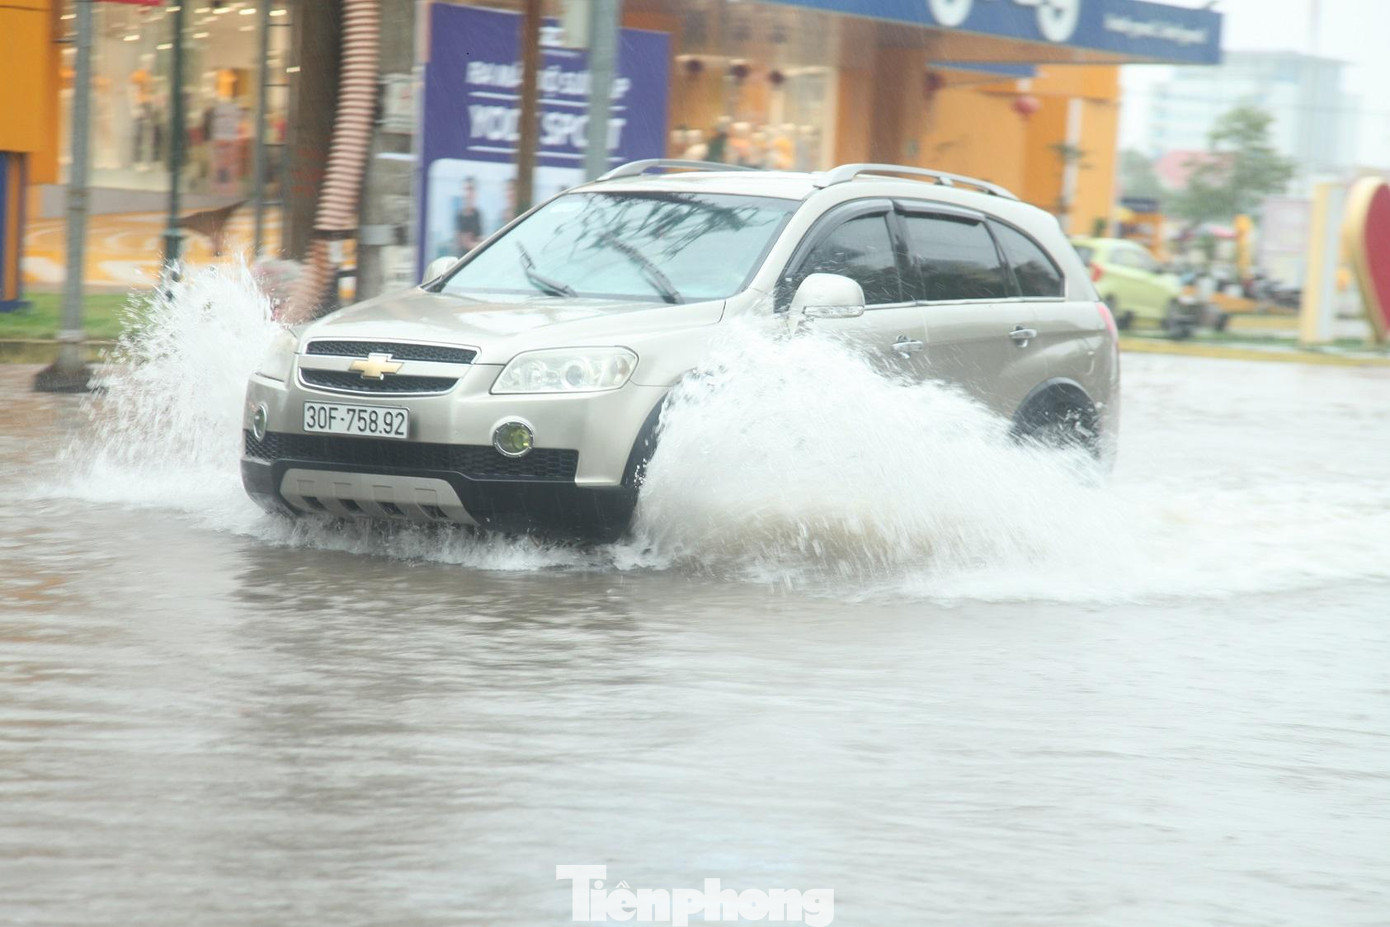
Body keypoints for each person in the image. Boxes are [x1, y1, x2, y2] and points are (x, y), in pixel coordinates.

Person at [455, 177, 484, 253]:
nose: (468, 193)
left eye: (471, 189)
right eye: (466, 189)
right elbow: (461, 243)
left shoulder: (477, 214)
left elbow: (481, 239)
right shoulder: (459, 216)